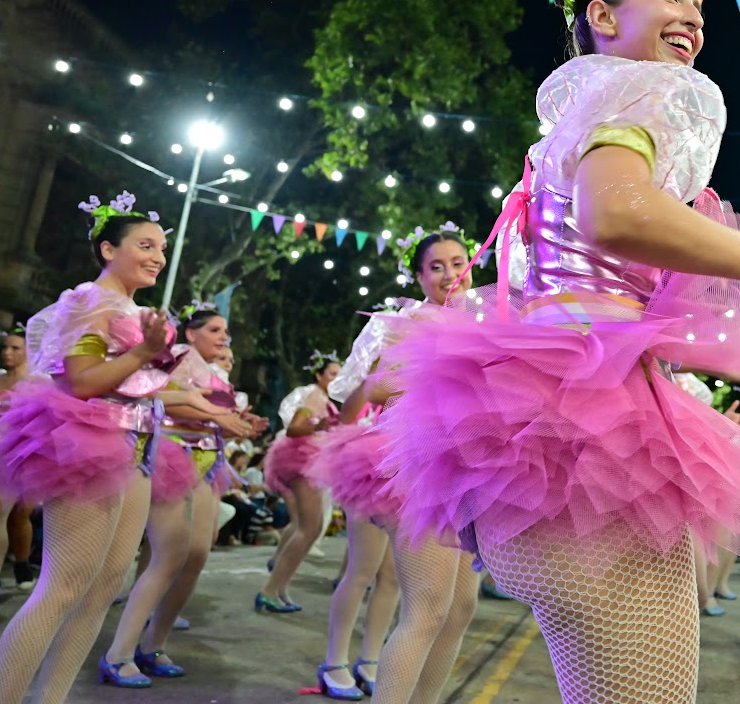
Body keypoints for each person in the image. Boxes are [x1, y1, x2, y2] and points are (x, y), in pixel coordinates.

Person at [375, 0, 740, 704]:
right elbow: (613, 213)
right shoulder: (647, 92)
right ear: (602, 16)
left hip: (563, 435)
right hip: (590, 443)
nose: (695, 19)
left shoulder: (572, 124)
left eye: (700, 4)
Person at [0, 192, 209, 700]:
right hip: (88, 443)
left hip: (136, 447)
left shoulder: (131, 309)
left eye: (161, 249)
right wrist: (149, 354)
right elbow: (83, 382)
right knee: (61, 587)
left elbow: (137, 385)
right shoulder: (89, 300)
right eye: (145, 246)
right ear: (109, 250)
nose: (157, 256)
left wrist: (212, 408)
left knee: (103, 587)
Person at [307, 223, 484, 703]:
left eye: (457, 262)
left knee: (461, 607)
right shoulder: (402, 322)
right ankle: (341, 663)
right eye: (436, 267)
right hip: (417, 466)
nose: (450, 274)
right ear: (420, 276)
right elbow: (375, 388)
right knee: (425, 606)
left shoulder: (490, 319)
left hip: (474, 474)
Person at [105, 304, 259, 680]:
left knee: (197, 555)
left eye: (226, 332)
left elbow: (209, 413)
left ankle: (153, 644)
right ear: (191, 334)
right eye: (215, 330)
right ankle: (118, 653)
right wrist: (213, 413)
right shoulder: (180, 357)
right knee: (170, 555)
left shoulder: (213, 371)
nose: (224, 337)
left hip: (208, 461)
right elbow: (157, 398)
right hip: (175, 456)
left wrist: (237, 422)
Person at [256, 352, 342, 612]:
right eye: (332, 374)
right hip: (302, 462)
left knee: (303, 527)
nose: (337, 379)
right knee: (310, 528)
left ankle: (278, 585)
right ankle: (270, 590)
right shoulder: (314, 396)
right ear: (319, 375)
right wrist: (319, 428)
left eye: (340, 374)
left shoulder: (323, 397)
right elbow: (295, 428)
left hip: (306, 461)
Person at [0, 324, 34, 602]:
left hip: (15, 453)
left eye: (15, 348)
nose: (7, 352)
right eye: (5, 347)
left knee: (3, 515)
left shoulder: (39, 382)